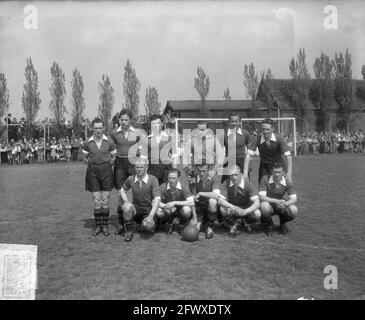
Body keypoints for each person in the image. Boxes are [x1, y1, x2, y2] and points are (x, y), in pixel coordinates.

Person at [110, 109, 143, 235]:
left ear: (130, 120)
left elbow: (141, 148)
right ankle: (120, 222)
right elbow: (111, 148)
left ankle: (136, 217)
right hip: (119, 164)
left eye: (126, 120)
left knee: (135, 190)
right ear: (119, 120)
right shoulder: (114, 133)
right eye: (122, 120)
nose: (124, 122)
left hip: (132, 163)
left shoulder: (137, 133)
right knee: (120, 192)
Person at [81, 118, 117, 236]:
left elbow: (114, 155)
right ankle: (98, 227)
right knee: (97, 200)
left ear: (103, 128)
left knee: (105, 200)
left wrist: (108, 164)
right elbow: (84, 157)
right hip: (93, 171)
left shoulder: (109, 141)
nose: (98, 130)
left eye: (100, 128)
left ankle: (105, 227)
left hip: (106, 171)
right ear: (92, 128)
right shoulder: (87, 142)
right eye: (95, 128)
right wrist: (91, 165)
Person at [120, 157, 161, 242]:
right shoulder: (131, 178)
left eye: (141, 167)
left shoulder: (153, 179)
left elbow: (157, 199)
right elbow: (123, 190)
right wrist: (126, 201)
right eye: (137, 167)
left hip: (149, 209)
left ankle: (146, 223)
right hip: (137, 208)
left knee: (148, 228)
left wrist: (151, 216)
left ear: (146, 167)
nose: (139, 169)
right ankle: (129, 232)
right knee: (126, 206)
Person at [245, 118, 292, 184]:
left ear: (272, 129)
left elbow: (288, 157)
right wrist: (245, 172)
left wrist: (289, 174)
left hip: (279, 166)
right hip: (264, 167)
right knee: (263, 191)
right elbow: (248, 156)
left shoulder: (279, 139)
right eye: (263, 129)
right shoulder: (257, 139)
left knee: (279, 190)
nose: (265, 131)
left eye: (267, 129)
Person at [218, 164, 261, 236]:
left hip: (245, 208)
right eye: (231, 175)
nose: (234, 177)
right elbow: (220, 200)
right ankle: (233, 225)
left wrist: (246, 211)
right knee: (222, 208)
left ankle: (247, 222)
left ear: (241, 174)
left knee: (257, 213)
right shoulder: (226, 182)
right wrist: (233, 207)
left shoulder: (248, 184)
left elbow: (257, 203)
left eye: (236, 175)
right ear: (229, 176)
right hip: (233, 208)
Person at [259, 162, 298, 235]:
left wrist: (285, 204)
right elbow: (262, 197)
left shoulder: (287, 181)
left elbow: (294, 198)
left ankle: (282, 224)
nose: (277, 174)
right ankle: (269, 224)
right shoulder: (265, 178)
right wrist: (276, 201)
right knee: (263, 206)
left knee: (294, 210)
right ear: (271, 171)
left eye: (279, 172)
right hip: (269, 204)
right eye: (275, 172)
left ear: (283, 172)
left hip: (282, 205)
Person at [157, 168, 196, 235]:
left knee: (187, 210)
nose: (171, 180)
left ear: (178, 178)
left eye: (174, 178)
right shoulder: (163, 186)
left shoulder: (183, 186)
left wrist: (174, 203)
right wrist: (165, 206)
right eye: (169, 178)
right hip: (169, 209)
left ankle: (182, 224)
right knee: (158, 211)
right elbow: (154, 202)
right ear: (167, 177)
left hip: (180, 208)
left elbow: (191, 202)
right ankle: (169, 223)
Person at [141, 114, 176, 185]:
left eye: (158, 123)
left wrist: (174, 171)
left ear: (162, 124)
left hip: (166, 168)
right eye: (153, 123)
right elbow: (143, 158)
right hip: (152, 168)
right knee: (152, 191)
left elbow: (174, 157)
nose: (156, 125)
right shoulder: (147, 139)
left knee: (166, 191)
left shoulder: (169, 138)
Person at [189, 163, 221, 239]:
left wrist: (200, 193)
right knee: (194, 228)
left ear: (209, 170)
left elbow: (216, 195)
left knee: (213, 201)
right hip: (199, 208)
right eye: (199, 171)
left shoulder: (214, 178)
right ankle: (199, 221)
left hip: (210, 207)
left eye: (204, 171)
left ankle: (210, 227)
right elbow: (191, 196)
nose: (201, 173)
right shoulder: (193, 179)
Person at [223, 113, 251, 181]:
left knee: (244, 183)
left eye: (236, 121)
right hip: (229, 161)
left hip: (242, 161)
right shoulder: (223, 133)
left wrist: (246, 169)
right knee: (229, 184)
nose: (234, 123)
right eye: (232, 121)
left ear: (240, 122)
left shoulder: (245, 133)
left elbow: (249, 150)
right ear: (229, 122)